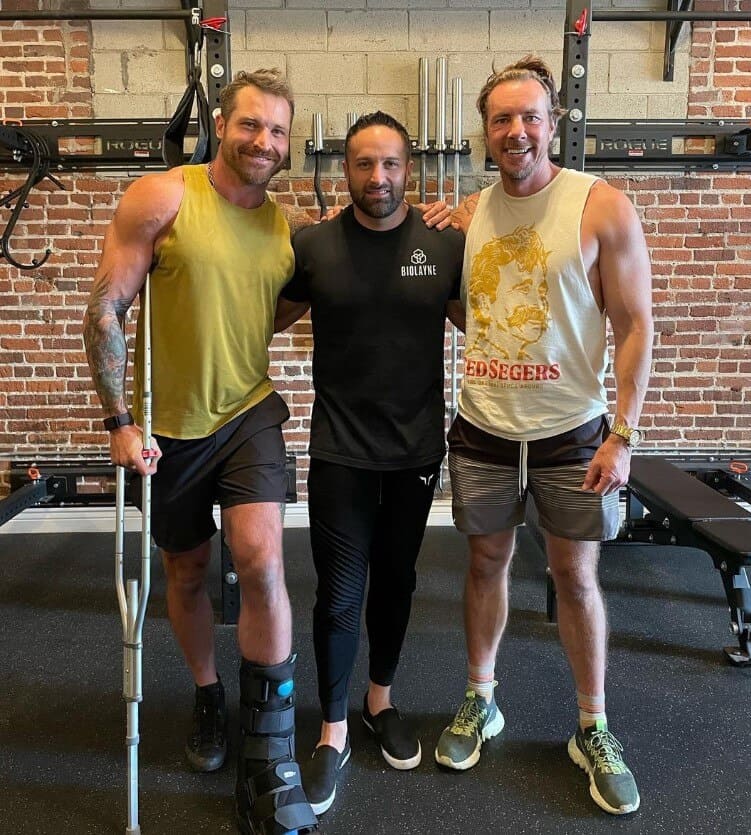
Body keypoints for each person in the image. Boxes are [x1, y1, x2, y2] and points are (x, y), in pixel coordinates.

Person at [83, 68, 322, 835]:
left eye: (278, 131)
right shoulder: (164, 197)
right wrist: (119, 418)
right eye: (251, 125)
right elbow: (107, 308)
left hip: (247, 412)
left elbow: (272, 305)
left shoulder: (283, 227)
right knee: (186, 569)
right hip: (165, 426)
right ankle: (208, 693)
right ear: (224, 125)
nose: (264, 141)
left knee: (259, 556)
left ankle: (270, 743)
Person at [434, 55, 653, 818]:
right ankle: (480, 699)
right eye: (501, 119)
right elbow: (471, 312)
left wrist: (621, 435)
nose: (516, 131)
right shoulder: (468, 215)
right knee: (484, 562)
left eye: (530, 116)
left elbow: (633, 328)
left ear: (552, 122)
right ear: (485, 132)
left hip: (570, 433)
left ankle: (591, 726)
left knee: (576, 577)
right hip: (485, 429)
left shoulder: (599, 207)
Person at [274, 111, 465, 816]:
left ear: (408, 168)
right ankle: (331, 728)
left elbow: (490, 322)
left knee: (398, 582)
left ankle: (379, 700)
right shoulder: (316, 245)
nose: (377, 177)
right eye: (363, 164)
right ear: (344, 169)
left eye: (389, 164)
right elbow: (262, 317)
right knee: (339, 592)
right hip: (339, 451)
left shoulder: (444, 244)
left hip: (416, 451)